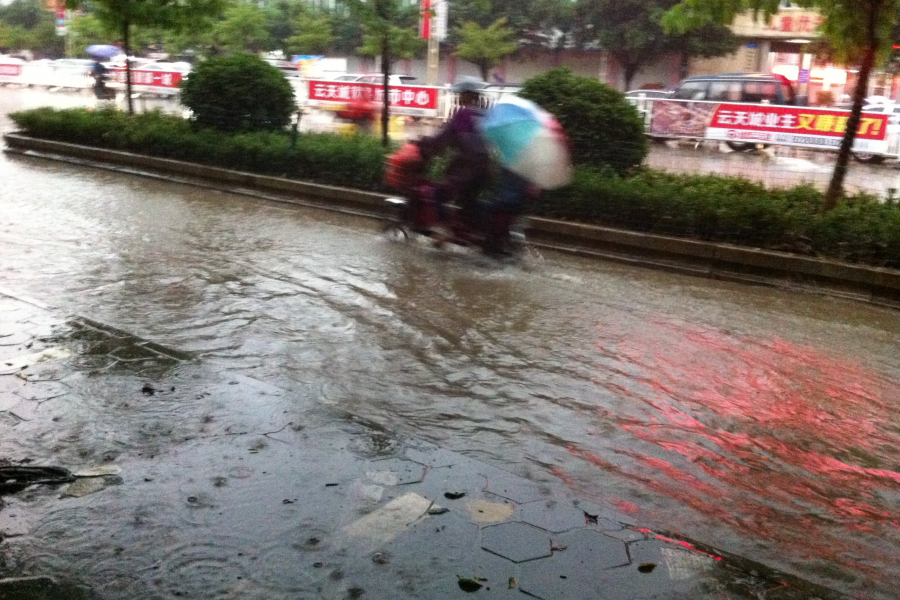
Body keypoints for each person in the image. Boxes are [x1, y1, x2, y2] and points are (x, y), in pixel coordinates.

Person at [415, 79, 491, 238]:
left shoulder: (463, 114)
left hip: (466, 169)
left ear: (468, 95)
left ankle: (443, 227)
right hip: (485, 169)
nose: (458, 98)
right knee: (469, 199)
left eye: (460, 94)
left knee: (437, 192)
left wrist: (424, 143)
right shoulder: (486, 114)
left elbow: (444, 137)